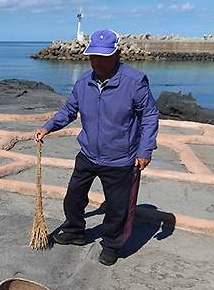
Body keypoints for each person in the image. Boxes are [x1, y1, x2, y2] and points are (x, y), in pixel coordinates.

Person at [33, 29, 159, 266]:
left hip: (121, 159)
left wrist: (145, 149)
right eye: (93, 56)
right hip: (88, 154)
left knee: (117, 208)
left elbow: (150, 115)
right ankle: (75, 231)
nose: (97, 62)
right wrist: (48, 127)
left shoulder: (135, 82)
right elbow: (69, 110)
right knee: (73, 197)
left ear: (118, 54)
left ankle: (111, 245)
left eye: (103, 56)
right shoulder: (84, 83)